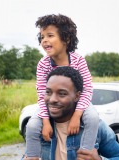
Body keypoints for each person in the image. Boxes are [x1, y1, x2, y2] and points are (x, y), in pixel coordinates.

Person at [25, 14, 99, 159]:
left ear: (66, 38)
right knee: (32, 126)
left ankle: (86, 153)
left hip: (77, 103)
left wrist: (77, 116)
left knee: (92, 118)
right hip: (49, 104)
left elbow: (87, 89)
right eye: (42, 36)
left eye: (50, 35)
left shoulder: (78, 60)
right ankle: (31, 156)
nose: (44, 40)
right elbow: (41, 93)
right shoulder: (43, 64)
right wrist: (46, 122)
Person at [43, 66, 119, 159]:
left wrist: (98, 159)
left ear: (77, 96)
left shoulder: (95, 127)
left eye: (62, 93)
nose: (52, 99)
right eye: (48, 92)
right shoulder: (39, 126)